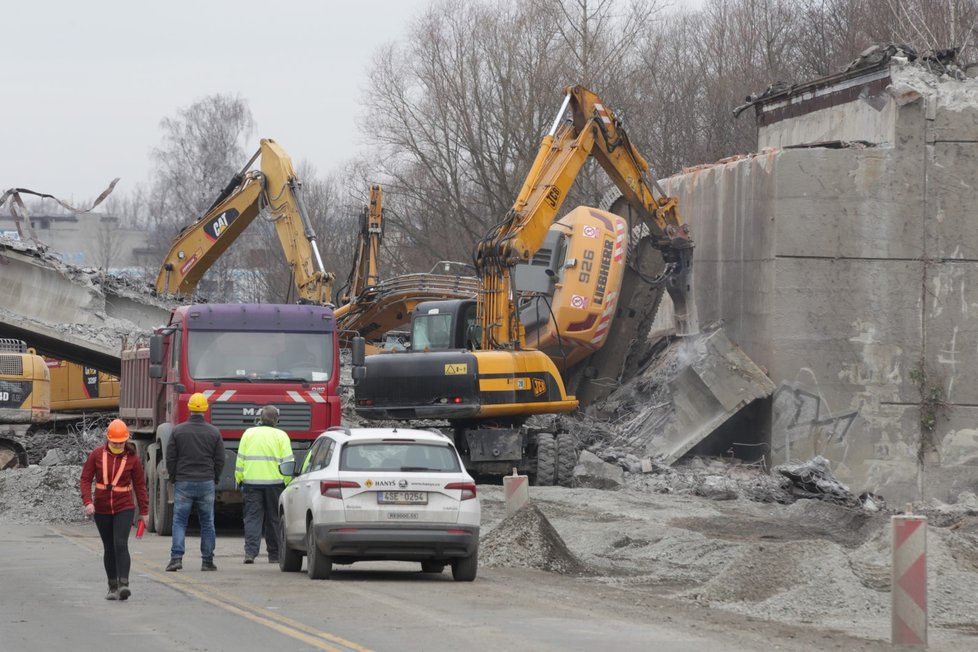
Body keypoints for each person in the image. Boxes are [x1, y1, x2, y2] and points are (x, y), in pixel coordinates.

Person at [80, 419, 149, 600]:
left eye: (121, 442)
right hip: (101, 508)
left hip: (124, 506)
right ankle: (112, 586)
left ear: (126, 440)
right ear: (107, 439)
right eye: (115, 442)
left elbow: (140, 486)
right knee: (109, 547)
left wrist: (144, 512)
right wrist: (88, 501)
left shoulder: (132, 459)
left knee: (120, 544)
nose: (118, 445)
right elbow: (85, 479)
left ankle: (124, 584)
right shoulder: (96, 455)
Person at [165, 392, 225, 572]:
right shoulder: (214, 432)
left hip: (184, 481)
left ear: (190, 408)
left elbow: (171, 458)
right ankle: (207, 561)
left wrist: (175, 476)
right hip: (206, 481)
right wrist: (214, 477)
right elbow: (220, 459)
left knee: (179, 521)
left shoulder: (178, 431)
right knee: (207, 522)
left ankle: (176, 558)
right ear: (205, 409)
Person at [235, 405, 293, 564]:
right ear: (276, 420)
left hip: (251, 484)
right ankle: (274, 555)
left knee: (253, 518)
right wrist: (286, 483)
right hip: (275, 485)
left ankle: (250, 553)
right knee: (274, 520)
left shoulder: (248, 434)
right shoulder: (282, 436)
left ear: (260, 418)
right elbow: (288, 463)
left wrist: (239, 479)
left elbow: (240, 461)